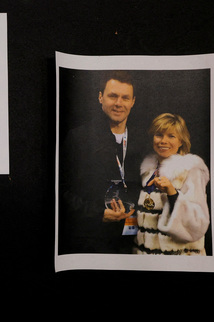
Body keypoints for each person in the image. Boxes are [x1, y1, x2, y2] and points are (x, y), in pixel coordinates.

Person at [59, 71, 146, 254]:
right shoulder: (79, 138)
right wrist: (98, 214)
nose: (118, 103)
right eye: (112, 96)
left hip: (134, 241)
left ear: (133, 101)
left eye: (125, 98)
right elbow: (61, 192)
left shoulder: (144, 141)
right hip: (92, 241)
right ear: (100, 97)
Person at [134, 113, 210, 255]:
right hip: (146, 258)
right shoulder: (147, 171)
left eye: (171, 136)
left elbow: (197, 223)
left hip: (179, 259)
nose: (163, 141)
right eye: (159, 135)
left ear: (181, 141)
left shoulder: (191, 170)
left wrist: (172, 192)